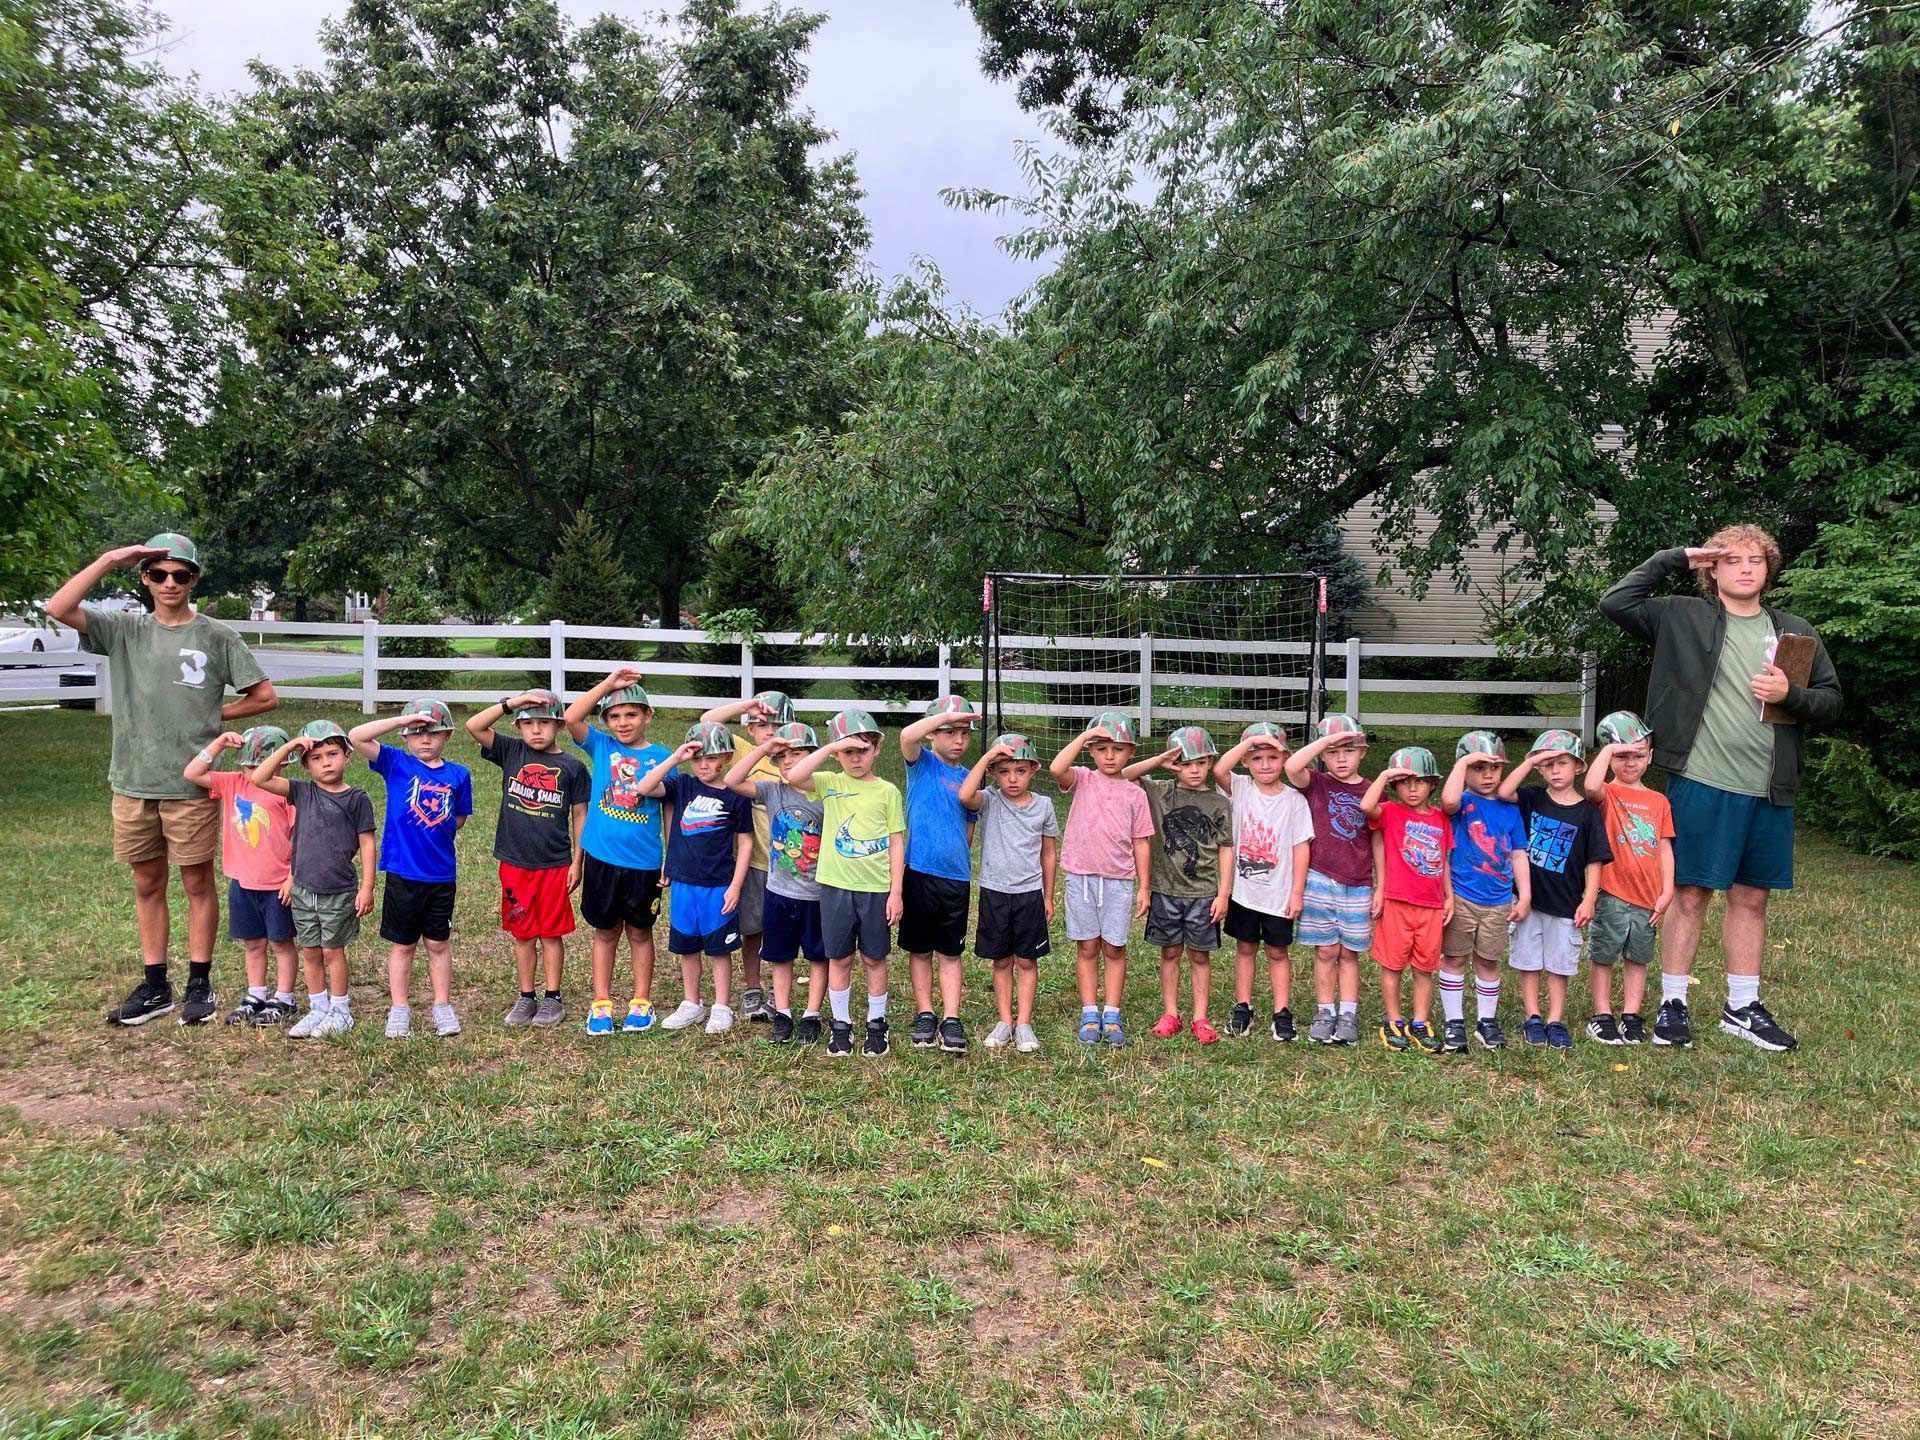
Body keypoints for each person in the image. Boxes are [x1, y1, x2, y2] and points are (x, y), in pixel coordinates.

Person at [1599, 528, 1842, 1051]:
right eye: (1732, 561)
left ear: (1768, 569)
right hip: (1702, 777)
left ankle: (1742, 1006)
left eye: (1756, 561)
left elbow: (1830, 701)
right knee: (1690, 892)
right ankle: (1672, 1004)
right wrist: (1672, 556)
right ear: (1713, 570)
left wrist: (1791, 693)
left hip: (1769, 785)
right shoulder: (1682, 616)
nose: (1746, 569)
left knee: (1751, 897)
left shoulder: (1795, 633)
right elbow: (1616, 601)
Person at [47, 535, 277, 1026]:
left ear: (193, 580)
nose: (169, 583)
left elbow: (263, 696)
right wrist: (111, 558)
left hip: (191, 785)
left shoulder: (217, 636)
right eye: (158, 574)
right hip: (132, 780)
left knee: (197, 881)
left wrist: (212, 714)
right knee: (147, 883)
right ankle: (155, 987)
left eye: (180, 575)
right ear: (145, 579)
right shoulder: (124, 630)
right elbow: (58, 606)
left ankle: (200, 981)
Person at [784, 709, 906, 1059]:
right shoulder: (830, 782)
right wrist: (831, 747)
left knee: (873, 957)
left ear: (878, 749)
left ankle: (877, 1024)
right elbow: (795, 775)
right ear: (837, 753)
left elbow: (896, 841)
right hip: (835, 887)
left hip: (875, 888)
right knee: (839, 957)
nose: (856, 757)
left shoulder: (887, 791)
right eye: (848, 751)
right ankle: (841, 1025)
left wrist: (895, 891)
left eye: (863, 749)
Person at [348, 699, 472, 1039]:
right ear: (405, 737)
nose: (425, 739)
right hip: (403, 873)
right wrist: (402, 718)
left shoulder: (459, 774)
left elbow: (459, 817)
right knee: (403, 945)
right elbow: (357, 736)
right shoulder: (396, 763)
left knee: (438, 943)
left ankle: (442, 1005)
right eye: (416, 733)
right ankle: (399, 1007)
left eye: (432, 732)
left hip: (441, 875)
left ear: (447, 734)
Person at [465, 690, 589, 1029]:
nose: (536, 730)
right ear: (518, 727)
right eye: (528, 723)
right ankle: (526, 996)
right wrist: (510, 704)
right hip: (515, 862)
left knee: (550, 933)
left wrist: (577, 861)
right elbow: (474, 726)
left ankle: (553, 997)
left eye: (544, 723)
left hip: (554, 864)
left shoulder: (573, 768)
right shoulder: (511, 751)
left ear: (560, 725)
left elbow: (580, 816)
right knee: (522, 934)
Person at [248, 722, 376, 1039]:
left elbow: (368, 844)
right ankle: (318, 1008)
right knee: (310, 952)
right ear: (306, 765)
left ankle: (341, 1010)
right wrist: (290, 747)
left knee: (333, 952)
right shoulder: (302, 791)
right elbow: (259, 777)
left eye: (333, 754)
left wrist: (367, 887)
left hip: (338, 890)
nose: (326, 762)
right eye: (316, 757)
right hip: (304, 890)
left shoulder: (357, 799)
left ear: (347, 756)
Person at [567, 669, 671, 1036]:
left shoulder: (662, 757)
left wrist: (668, 859)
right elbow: (571, 717)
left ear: (648, 716)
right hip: (601, 858)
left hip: (643, 864)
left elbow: (669, 810)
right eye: (614, 715)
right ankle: (601, 1003)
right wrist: (608, 685)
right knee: (605, 931)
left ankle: (641, 1001)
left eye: (631, 714)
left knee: (641, 932)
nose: (622, 722)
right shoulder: (601, 746)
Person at [1497, 731, 1611, 1050]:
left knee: (1560, 963)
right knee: (1529, 960)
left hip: (1566, 903)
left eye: (1562, 763)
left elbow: (1594, 859)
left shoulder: (1588, 812)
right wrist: (1531, 760)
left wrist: (1589, 899)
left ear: (1578, 767)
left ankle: (1555, 1018)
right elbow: (1505, 791)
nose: (1555, 770)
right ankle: (1533, 1015)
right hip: (1528, 900)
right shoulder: (1533, 798)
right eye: (1548, 765)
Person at [637, 723, 754, 1034]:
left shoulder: (736, 795)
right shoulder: (683, 784)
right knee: (687, 946)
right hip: (684, 883)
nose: (703, 764)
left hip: (718, 885)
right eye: (697, 758)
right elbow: (645, 787)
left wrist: (736, 886)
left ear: (727, 757)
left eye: (711, 758)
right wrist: (675, 758)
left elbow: (745, 842)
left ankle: (721, 1006)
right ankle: (692, 1003)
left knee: (718, 948)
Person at [1122, 727, 1234, 1044]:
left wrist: (1223, 893)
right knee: (1170, 952)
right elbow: (1125, 775)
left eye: (1200, 762)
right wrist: (1158, 760)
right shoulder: (1160, 791)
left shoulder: (1218, 802)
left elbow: (1226, 847)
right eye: (1185, 763)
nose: (1194, 770)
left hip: (1203, 893)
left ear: (1210, 761)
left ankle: (1200, 1016)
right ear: (1175, 765)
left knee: (1200, 956)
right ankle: (1171, 1012)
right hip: (1165, 890)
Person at [182, 725, 297, 1026]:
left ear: (282, 762)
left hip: (277, 884)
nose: (253, 770)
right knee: (253, 943)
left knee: (282, 943)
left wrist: (292, 876)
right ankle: (256, 995)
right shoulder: (233, 783)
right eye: (248, 763)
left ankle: (284, 997)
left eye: (262, 763)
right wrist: (218, 745)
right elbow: (193, 773)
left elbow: (302, 837)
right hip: (242, 882)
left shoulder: (288, 792)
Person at [723, 722, 828, 1045]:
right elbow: (731, 780)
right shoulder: (772, 791)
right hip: (780, 892)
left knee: (817, 956)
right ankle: (783, 1012)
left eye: (797, 754)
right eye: (782, 757)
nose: (788, 762)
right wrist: (764, 749)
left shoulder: (827, 793)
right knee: (780, 956)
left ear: (813, 756)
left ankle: (812, 1014)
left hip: (819, 893)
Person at [699, 691, 800, 1024]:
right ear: (751, 729)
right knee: (752, 929)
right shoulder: (745, 751)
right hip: (754, 860)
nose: (770, 731)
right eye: (760, 724)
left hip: (790, 866)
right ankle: (753, 987)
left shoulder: (797, 758)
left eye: (778, 724)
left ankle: (778, 991)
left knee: (783, 932)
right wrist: (746, 705)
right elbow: (707, 722)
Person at [1212, 722, 1315, 1042]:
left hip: (1279, 894)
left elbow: (1301, 848)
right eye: (1257, 758)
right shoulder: (1240, 787)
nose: (1266, 765)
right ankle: (1243, 1005)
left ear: (1285, 759)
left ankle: (1282, 1012)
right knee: (1245, 948)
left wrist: (1296, 893)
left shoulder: (1295, 800)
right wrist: (1252, 741)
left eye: (1273, 757)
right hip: (1244, 893)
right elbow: (1218, 770)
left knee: (1277, 952)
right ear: (1246, 762)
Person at [958, 733, 1059, 1053]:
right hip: (995, 892)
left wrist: (1047, 895)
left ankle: (1024, 1023)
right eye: (1003, 771)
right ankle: (1004, 1021)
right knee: (1001, 960)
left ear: (1033, 770)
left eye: (1020, 770)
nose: (1012, 778)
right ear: (993, 773)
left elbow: (1049, 854)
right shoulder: (988, 798)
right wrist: (986, 757)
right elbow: (964, 795)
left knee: (1027, 961)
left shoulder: (1043, 805)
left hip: (1029, 894)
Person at [1581, 711, 1675, 1046]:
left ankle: (1631, 1016)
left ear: (1650, 757)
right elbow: (1589, 785)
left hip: (1648, 897)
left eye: (1637, 755)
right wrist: (1609, 749)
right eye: (1622, 756)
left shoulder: (1659, 801)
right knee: (1604, 954)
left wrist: (1667, 892)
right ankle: (1602, 1015)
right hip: (1612, 892)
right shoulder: (1607, 793)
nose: (1630, 762)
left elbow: (1664, 848)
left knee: (1639, 957)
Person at [897, 695, 982, 1054]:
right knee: (919, 950)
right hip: (917, 873)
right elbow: (906, 735)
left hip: (955, 879)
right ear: (933, 734)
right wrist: (944, 716)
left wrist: (957, 862)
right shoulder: (922, 764)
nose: (959, 740)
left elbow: (968, 830)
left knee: (949, 952)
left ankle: (950, 1017)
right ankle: (925, 1013)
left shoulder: (969, 780)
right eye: (949, 732)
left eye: (964, 732)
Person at [1438, 731, 1531, 1052]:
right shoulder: (1462, 804)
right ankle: (1454, 1022)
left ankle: (1485, 1022)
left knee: (1489, 961)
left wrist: (1526, 895)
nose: (1487, 775)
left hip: (1499, 900)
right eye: (1478, 768)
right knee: (1454, 957)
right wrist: (1463, 762)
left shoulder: (1510, 808)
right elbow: (1447, 801)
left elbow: (1519, 852)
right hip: (1462, 896)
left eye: (1493, 768)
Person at [1285, 713, 1374, 1046]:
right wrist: (1325, 740)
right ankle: (1326, 1011)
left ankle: (1348, 1013)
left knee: (1349, 952)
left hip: (1358, 881)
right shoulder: (1317, 783)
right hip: (1319, 878)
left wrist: (1378, 885)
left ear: (1362, 752)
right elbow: (1292, 768)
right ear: (1322, 754)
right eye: (1333, 752)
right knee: (1325, 951)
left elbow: (1377, 839)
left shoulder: (1370, 790)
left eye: (1349, 750)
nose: (1341, 758)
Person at [1359, 747, 1453, 1053]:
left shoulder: (1440, 819)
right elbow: (1366, 805)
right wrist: (1386, 774)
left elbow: (1443, 861)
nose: (1413, 788)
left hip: (1431, 905)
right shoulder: (1390, 812)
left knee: (1425, 967)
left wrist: (1448, 896)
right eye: (1405, 782)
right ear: (1395, 786)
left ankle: (1420, 1021)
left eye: (1421, 781)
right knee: (1393, 965)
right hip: (1397, 902)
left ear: (1433, 784)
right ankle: (1394, 1019)